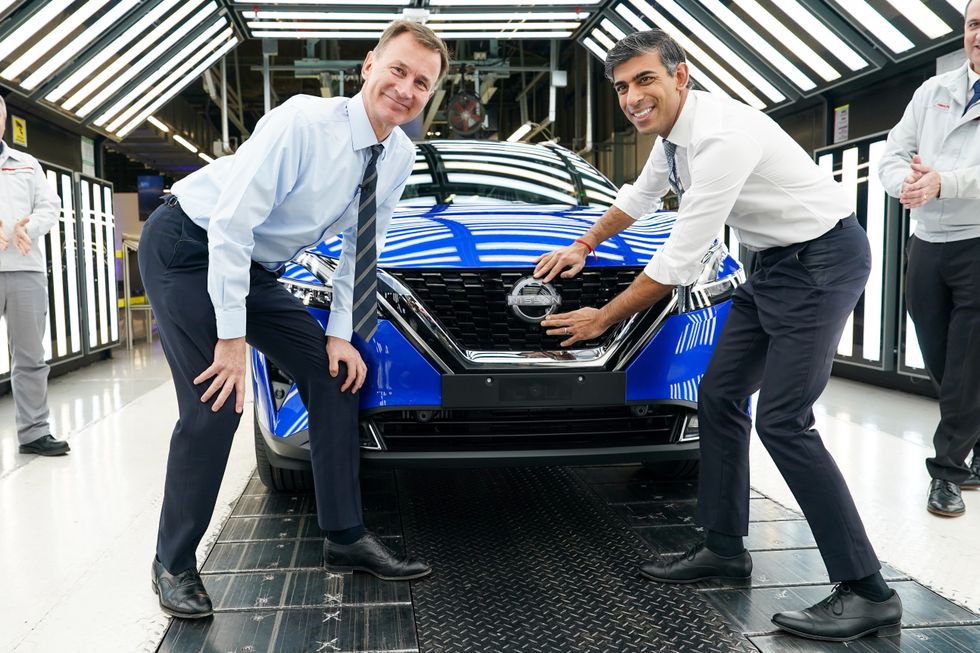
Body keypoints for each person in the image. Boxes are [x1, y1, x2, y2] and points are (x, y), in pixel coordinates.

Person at [534, 30, 902, 642]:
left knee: (784, 420)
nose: (632, 97)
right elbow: (640, 196)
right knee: (721, 395)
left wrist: (602, 318)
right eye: (622, 87)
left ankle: (869, 590)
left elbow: (680, 257)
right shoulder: (673, 137)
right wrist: (583, 244)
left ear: (681, 76)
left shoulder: (720, 137)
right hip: (771, 263)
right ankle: (724, 547)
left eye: (645, 80)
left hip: (822, 261)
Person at [139, 20, 448, 619]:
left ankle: (345, 537)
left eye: (422, 82)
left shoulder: (400, 154)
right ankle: (172, 563)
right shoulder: (303, 123)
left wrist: (339, 334)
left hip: (252, 262)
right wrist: (231, 338)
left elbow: (364, 249)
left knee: (334, 379)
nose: (406, 89)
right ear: (368, 66)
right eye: (398, 70)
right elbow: (229, 223)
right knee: (215, 403)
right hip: (188, 244)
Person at [878, 0, 980, 517]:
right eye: (975, 24)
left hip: (979, 241)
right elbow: (893, 154)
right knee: (940, 352)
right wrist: (910, 186)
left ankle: (948, 473)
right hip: (928, 241)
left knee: (965, 361)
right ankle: (977, 436)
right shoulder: (932, 92)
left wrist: (946, 182)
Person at [0, 95, 69, 457]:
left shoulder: (26, 164)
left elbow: (49, 206)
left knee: (30, 357)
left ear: (4, 120)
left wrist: (33, 226)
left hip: (26, 270)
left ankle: (33, 433)